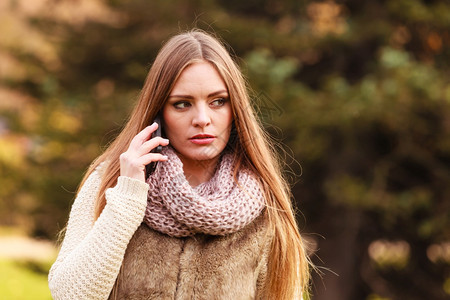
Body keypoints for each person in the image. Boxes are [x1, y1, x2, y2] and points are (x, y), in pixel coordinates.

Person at [48, 29, 311, 300]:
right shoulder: (112, 179)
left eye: (218, 101)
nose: (202, 119)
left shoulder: (262, 203)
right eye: (182, 104)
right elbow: (70, 296)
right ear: (159, 111)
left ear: (236, 110)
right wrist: (126, 201)